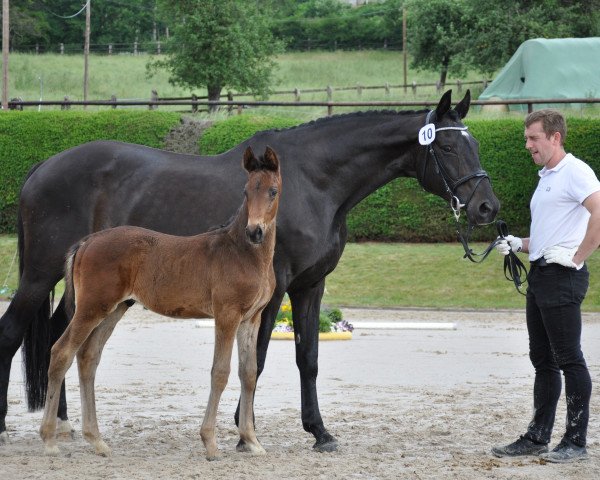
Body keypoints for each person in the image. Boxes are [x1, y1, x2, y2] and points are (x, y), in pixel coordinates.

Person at [492, 109, 600, 463]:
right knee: (542, 359)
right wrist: (519, 244)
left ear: (555, 137)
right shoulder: (548, 178)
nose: (528, 145)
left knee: (569, 358)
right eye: (526, 138)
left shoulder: (576, 171)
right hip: (541, 273)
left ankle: (575, 440)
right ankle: (538, 436)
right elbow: (548, 233)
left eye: (533, 138)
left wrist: (578, 256)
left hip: (562, 275)